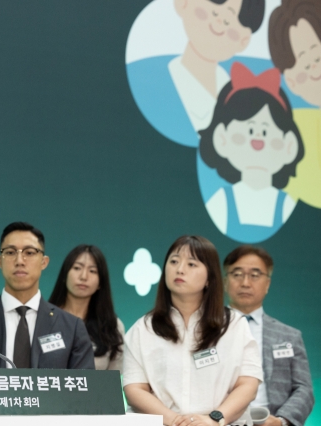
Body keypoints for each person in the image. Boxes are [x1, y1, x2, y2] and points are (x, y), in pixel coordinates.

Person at [123, 235, 262, 426]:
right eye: (174, 261)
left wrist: (214, 418)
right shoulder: (144, 328)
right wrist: (174, 420)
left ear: (209, 278)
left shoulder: (234, 325)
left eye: (191, 264)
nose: (180, 269)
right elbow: (134, 389)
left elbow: (248, 384)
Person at [0, 222, 94, 369]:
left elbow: (86, 388)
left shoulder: (71, 327)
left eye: (29, 252)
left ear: (44, 262)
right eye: (10, 252)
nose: (19, 261)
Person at [128, 0, 265, 147]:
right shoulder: (155, 82)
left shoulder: (235, 94)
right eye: (215, 10)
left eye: (230, 20)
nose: (219, 22)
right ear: (183, 4)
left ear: (244, 41)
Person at [199, 62, 304, 242]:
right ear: (221, 138)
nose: (258, 140)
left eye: (266, 131)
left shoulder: (287, 203)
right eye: (247, 131)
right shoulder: (221, 202)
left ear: (290, 145)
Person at [224, 245, 314, 426]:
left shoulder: (289, 336)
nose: (245, 283)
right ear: (225, 282)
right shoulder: (206, 330)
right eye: (237, 274)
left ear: (268, 284)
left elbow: (303, 389)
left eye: (255, 275)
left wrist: (281, 420)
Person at [269, 0, 321, 209]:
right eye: (303, 63)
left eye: (317, 57)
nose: (314, 69)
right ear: (289, 79)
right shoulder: (289, 135)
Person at [48, 244, 124, 371]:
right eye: (77, 268)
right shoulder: (42, 318)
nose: (83, 276)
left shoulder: (112, 326)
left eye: (92, 271)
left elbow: (115, 382)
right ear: (65, 275)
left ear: (101, 283)